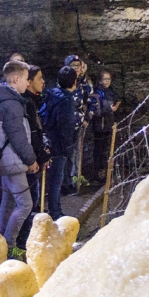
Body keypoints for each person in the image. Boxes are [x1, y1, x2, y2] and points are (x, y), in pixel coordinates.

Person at [0, 61, 38, 260]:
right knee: (25, 204)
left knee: (8, 203)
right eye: (26, 78)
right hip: (13, 162)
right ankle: (8, 246)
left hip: (6, 161)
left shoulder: (3, 100)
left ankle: (0, 243)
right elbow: (18, 137)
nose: (28, 82)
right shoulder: (11, 104)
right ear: (16, 79)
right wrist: (31, 159)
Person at [15, 65, 50, 249]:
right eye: (39, 78)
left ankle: (22, 239)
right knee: (27, 202)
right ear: (28, 83)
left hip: (33, 158)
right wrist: (36, 156)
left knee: (30, 201)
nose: (43, 82)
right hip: (29, 161)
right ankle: (20, 241)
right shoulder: (26, 103)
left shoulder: (32, 101)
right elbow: (29, 134)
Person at [43, 66, 77, 220]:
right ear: (74, 82)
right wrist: (67, 147)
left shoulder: (51, 95)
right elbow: (66, 125)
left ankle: (52, 208)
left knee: (52, 179)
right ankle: (55, 212)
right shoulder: (67, 100)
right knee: (57, 179)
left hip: (49, 140)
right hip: (59, 145)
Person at [62, 54, 93, 194]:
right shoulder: (62, 82)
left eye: (78, 65)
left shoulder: (83, 84)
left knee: (77, 152)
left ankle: (75, 177)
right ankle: (65, 182)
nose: (75, 68)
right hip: (67, 125)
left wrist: (87, 117)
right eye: (72, 66)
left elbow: (91, 101)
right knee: (66, 154)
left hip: (79, 124)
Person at [90, 70, 120, 184]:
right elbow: (96, 112)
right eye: (105, 79)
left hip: (108, 125)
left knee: (105, 150)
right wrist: (109, 110)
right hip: (99, 126)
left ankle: (104, 174)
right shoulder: (97, 94)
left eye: (109, 79)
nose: (107, 81)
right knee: (98, 151)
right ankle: (97, 174)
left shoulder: (110, 92)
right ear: (100, 80)